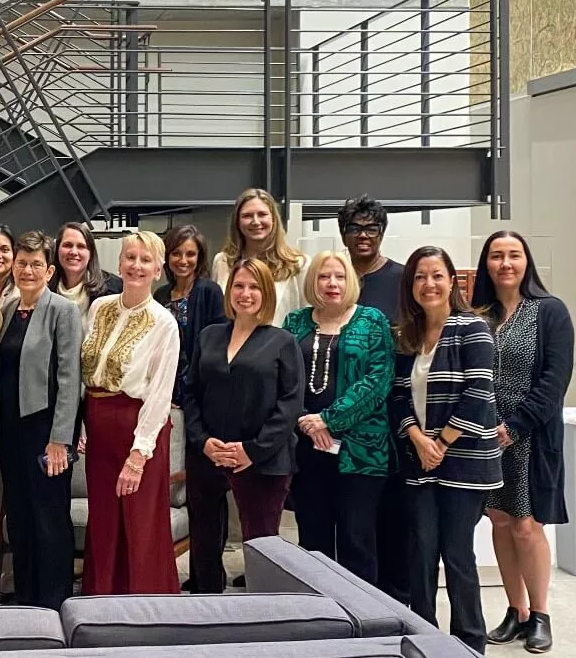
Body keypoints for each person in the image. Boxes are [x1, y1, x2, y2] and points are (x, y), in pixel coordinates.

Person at [390, 246, 501, 653]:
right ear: (411, 285)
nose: (429, 284)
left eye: (437, 275)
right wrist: (418, 439)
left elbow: (478, 392)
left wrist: (440, 443)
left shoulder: (473, 327)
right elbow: (398, 397)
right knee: (419, 553)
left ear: (452, 281)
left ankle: (470, 644)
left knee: (457, 555)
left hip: (464, 463)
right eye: (420, 276)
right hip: (420, 460)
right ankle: (424, 639)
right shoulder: (407, 336)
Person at [472, 231, 573, 655]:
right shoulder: (479, 314)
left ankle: (541, 614)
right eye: (497, 256)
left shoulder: (549, 312)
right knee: (498, 521)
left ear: (527, 262)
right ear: (486, 264)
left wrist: (514, 426)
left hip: (529, 436)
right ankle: (516, 611)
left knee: (527, 525)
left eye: (514, 255)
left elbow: (555, 380)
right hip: (484, 439)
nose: (506, 264)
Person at [183, 258, 303, 592]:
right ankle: (206, 605)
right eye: (239, 285)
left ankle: (262, 614)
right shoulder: (209, 336)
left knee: (260, 545)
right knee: (204, 542)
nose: (245, 293)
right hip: (207, 454)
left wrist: (252, 450)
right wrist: (203, 441)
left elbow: (290, 403)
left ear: (266, 293)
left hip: (261, 459)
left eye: (254, 287)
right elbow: (190, 391)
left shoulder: (282, 341)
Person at [284, 251, 394, 584]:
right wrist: (306, 420)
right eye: (323, 276)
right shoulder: (295, 322)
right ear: (312, 282)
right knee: (312, 538)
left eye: (339, 276)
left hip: (361, 451)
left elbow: (379, 379)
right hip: (307, 448)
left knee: (356, 538)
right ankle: (322, 616)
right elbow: (284, 379)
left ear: (350, 281)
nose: (332, 284)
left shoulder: (371, 320)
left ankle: (364, 620)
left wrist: (329, 420)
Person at [81, 230, 181, 595]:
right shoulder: (99, 307)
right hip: (98, 428)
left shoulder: (163, 323)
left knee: (139, 523)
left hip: (138, 431)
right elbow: (86, 374)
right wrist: (81, 425)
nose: (136, 265)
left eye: (145, 260)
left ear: (158, 270)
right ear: (119, 263)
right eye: (130, 257)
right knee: (104, 520)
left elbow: (159, 394)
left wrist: (138, 455)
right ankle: (99, 599)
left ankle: (143, 606)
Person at [0, 231, 82, 610]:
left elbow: (69, 378)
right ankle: (26, 597)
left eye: (35, 264)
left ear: (49, 270)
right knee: (20, 516)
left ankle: (54, 599)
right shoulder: (7, 310)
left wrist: (60, 438)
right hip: (10, 430)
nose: (27, 270)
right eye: (21, 263)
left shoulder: (63, 311)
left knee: (49, 518)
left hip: (45, 429)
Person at [339, 194, 409, 605]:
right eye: (355, 228)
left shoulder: (402, 280)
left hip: (397, 415)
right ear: (343, 233)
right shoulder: (335, 280)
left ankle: (398, 604)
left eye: (371, 228)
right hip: (345, 423)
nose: (363, 236)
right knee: (354, 527)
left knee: (395, 522)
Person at [212, 188, 307, 328]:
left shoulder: (298, 265)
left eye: (262, 214)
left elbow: (307, 317)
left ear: (274, 220)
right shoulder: (222, 262)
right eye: (247, 216)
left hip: (280, 347)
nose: (255, 222)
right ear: (237, 221)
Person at [154, 224, 225, 404]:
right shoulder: (160, 295)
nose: (183, 260)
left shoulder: (210, 291)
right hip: (166, 387)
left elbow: (219, 344)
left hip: (201, 388)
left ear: (199, 257)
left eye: (190, 254)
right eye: (176, 253)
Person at [50, 222, 122, 329]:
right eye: (67, 245)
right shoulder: (45, 289)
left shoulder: (113, 289)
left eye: (81, 246)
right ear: (57, 251)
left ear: (90, 254)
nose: (74, 252)